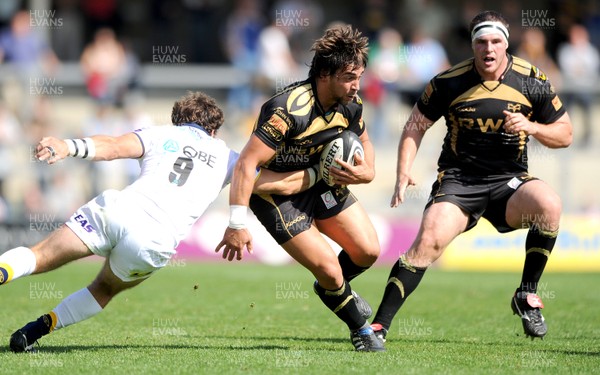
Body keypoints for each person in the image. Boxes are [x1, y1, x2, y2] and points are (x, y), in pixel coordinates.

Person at [1, 91, 316, 353]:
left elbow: (111, 147)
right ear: (215, 130)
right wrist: (318, 173)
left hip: (119, 210)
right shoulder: (232, 159)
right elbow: (281, 184)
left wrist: (68, 146)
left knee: (40, 255)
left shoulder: (161, 133)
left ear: (178, 120)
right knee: (103, 289)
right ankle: (39, 328)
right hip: (154, 241)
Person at [369, 10, 572, 342]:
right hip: (460, 181)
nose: (488, 49)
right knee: (427, 242)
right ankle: (379, 326)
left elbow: (565, 134)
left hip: (510, 181)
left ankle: (527, 295)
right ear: (472, 45)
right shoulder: (448, 81)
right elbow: (414, 126)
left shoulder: (531, 79)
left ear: (506, 45)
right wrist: (403, 172)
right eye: (481, 42)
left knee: (549, 206)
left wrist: (531, 126)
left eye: (495, 42)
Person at [215, 25, 384, 352]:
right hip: (275, 196)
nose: (356, 86)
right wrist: (236, 222)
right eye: (350, 77)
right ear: (325, 74)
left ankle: (333, 291)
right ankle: (361, 330)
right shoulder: (287, 110)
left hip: (319, 182)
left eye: (359, 76)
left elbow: (363, 139)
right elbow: (246, 166)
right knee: (330, 270)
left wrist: (369, 170)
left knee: (367, 251)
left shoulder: (351, 103)